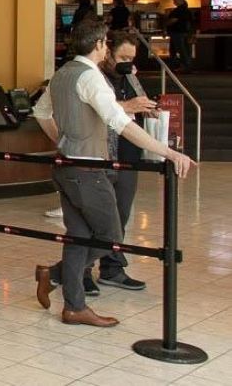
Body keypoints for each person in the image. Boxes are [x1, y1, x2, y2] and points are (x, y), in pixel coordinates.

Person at [32, 18, 193, 327]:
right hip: (88, 169)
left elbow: (40, 112)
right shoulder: (91, 78)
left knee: (79, 235)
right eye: (105, 43)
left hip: (65, 166)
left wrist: (63, 139)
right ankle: (53, 275)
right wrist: (169, 152)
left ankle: (74, 306)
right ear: (98, 45)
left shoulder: (62, 74)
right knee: (111, 235)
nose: (106, 47)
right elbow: (120, 123)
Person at [81, 30, 157, 293]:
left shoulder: (131, 77)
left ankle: (112, 267)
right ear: (107, 52)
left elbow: (140, 104)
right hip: (101, 154)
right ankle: (82, 270)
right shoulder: (93, 77)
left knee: (120, 216)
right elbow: (96, 111)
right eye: (122, 56)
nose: (127, 62)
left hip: (128, 155)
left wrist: (149, 109)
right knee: (96, 218)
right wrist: (128, 105)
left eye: (131, 58)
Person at [166, 0, 193, 71]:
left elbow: (173, 21)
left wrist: (165, 24)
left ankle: (183, 66)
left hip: (177, 33)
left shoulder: (178, 10)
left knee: (180, 51)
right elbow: (190, 23)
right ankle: (182, 66)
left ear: (179, 0)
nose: (174, 1)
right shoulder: (187, 10)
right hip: (185, 33)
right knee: (184, 50)